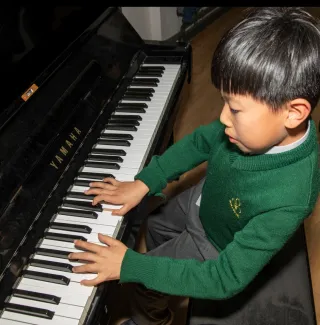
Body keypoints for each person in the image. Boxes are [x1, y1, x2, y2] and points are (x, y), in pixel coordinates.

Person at [68, 7, 320, 325]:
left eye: (236, 108)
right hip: (205, 198)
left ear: (294, 113)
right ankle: (162, 272)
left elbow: (224, 278)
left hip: (213, 243)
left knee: (142, 286)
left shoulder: (292, 197)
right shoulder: (254, 128)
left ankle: (152, 318)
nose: (224, 118)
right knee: (158, 224)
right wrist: (146, 181)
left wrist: (132, 267)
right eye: (224, 102)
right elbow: (201, 142)